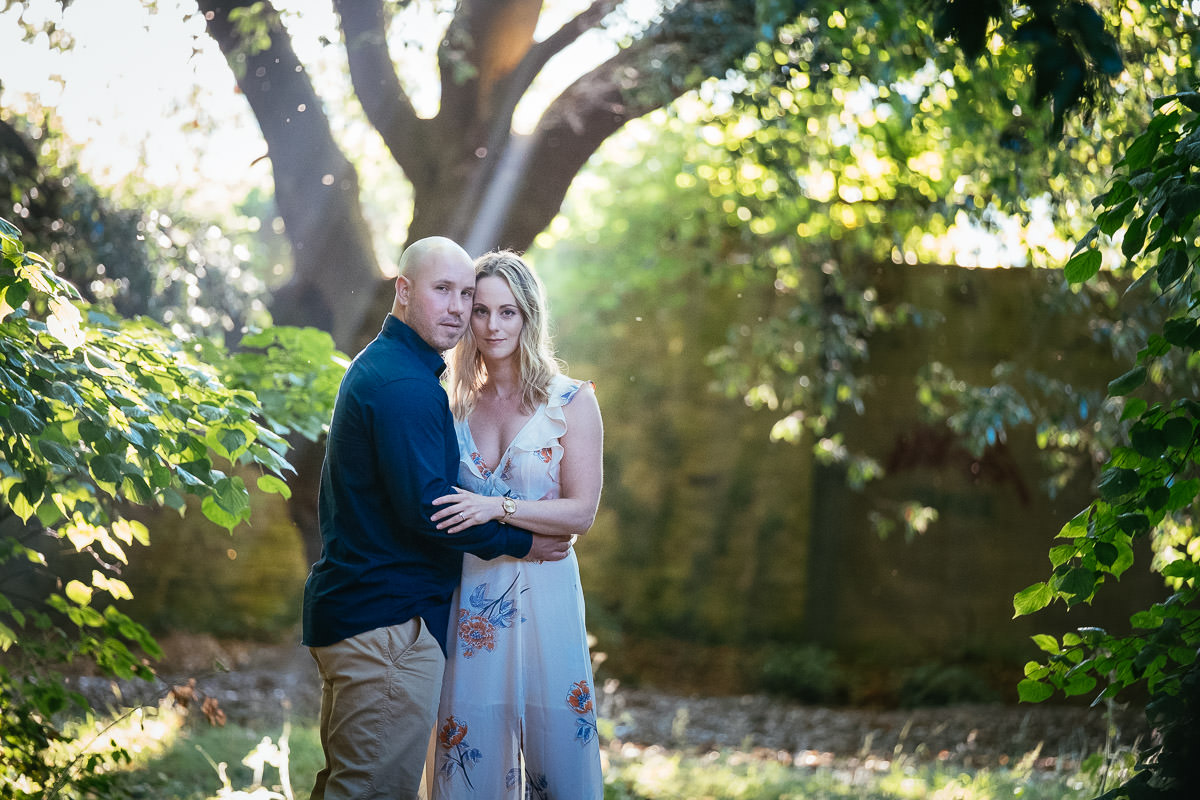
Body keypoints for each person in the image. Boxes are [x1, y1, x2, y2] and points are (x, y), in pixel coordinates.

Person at [301, 236, 572, 800]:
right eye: (442, 290)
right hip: (387, 627)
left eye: (466, 294)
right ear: (403, 291)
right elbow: (430, 511)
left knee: (352, 785)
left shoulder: (399, 371)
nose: (457, 308)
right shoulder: (405, 384)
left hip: (366, 618)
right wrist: (522, 541)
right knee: (373, 791)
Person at [426, 250, 605, 798]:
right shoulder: (449, 403)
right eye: (480, 311)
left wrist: (492, 507)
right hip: (470, 603)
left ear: (529, 316)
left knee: (562, 765)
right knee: (467, 764)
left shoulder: (570, 402)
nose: (492, 325)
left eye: (508, 312)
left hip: (547, 599)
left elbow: (580, 513)